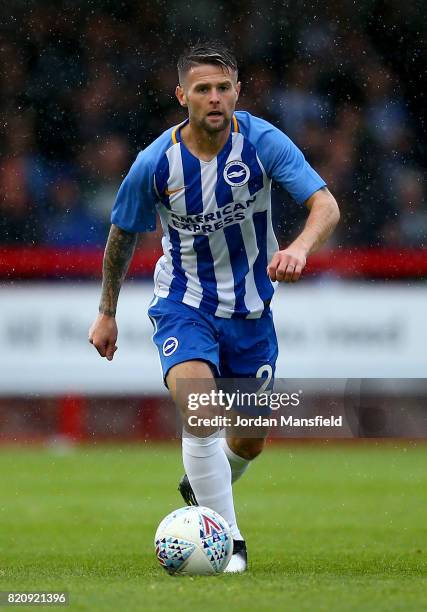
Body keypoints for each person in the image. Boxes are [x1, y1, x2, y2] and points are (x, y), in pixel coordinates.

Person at [89, 41, 340, 572]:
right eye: (202, 89)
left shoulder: (263, 142)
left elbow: (325, 205)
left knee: (247, 440)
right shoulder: (155, 162)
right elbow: (121, 235)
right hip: (185, 303)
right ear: (182, 95)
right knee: (200, 406)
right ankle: (229, 541)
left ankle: (205, 477)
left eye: (223, 87)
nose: (215, 98)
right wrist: (107, 310)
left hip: (251, 313)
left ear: (237, 91)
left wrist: (297, 247)